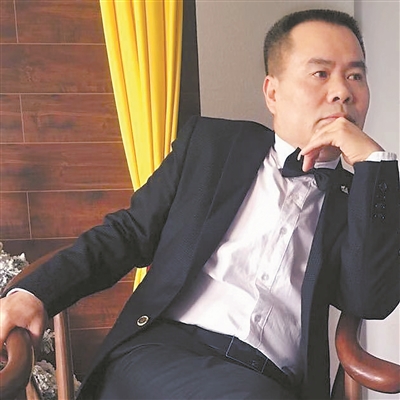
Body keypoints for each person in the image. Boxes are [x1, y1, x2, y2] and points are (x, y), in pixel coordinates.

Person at [1, 8, 399, 400]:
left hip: (269, 381)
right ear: (273, 93)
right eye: (321, 73)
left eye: (355, 76)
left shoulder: (362, 201)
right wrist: (36, 293)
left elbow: (370, 300)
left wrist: (374, 166)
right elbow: (126, 234)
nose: (342, 91)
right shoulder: (211, 146)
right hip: (164, 355)